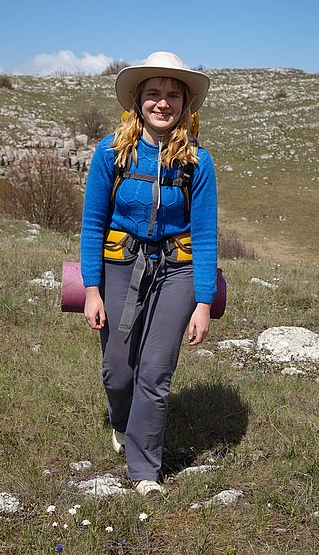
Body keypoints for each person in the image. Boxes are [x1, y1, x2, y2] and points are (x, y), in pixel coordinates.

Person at [80, 51, 218, 496]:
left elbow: (206, 234)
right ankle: (122, 424)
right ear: (138, 100)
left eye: (172, 95)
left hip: (177, 271)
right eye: (154, 94)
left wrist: (203, 301)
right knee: (119, 370)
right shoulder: (110, 152)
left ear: (185, 104)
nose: (163, 103)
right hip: (120, 265)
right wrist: (91, 289)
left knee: (155, 370)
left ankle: (144, 470)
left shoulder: (199, 162)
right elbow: (92, 223)